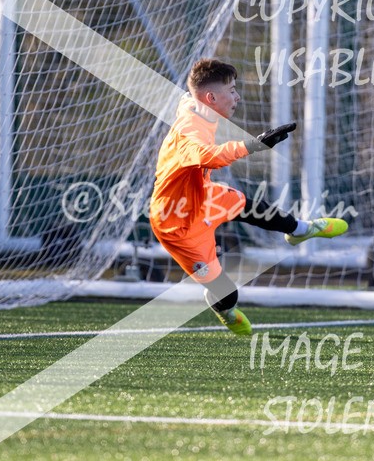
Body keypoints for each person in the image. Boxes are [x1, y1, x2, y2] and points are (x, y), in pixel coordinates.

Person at [149, 59, 348, 336]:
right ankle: (225, 310)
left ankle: (302, 230)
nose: (237, 96)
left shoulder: (197, 106)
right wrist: (254, 144)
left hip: (202, 196)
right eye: (231, 90)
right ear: (211, 97)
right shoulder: (189, 132)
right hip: (176, 222)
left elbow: (189, 96)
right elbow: (212, 157)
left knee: (248, 206)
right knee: (227, 294)